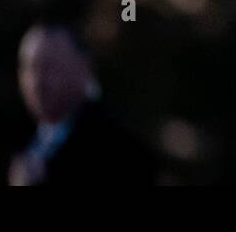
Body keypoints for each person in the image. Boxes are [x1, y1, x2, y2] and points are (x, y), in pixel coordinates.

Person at [9, 23, 153, 185]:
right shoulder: (13, 135)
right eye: (29, 67)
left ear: (85, 68)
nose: (37, 81)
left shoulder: (119, 149)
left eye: (50, 66)